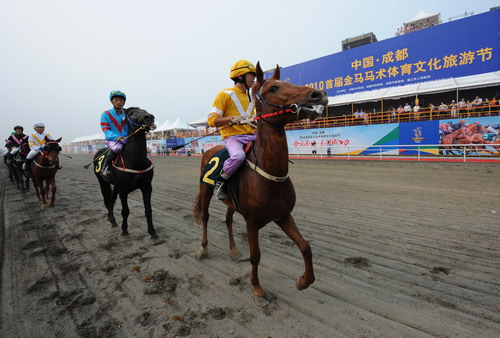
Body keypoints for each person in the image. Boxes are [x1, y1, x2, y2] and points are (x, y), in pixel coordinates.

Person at [207, 60, 257, 200]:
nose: (254, 77)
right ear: (240, 76)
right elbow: (211, 121)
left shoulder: (253, 97)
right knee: (238, 157)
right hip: (233, 137)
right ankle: (221, 182)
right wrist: (231, 119)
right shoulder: (225, 94)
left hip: (254, 136)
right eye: (251, 74)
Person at [100, 90, 128, 178]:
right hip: (112, 140)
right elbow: (106, 130)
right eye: (116, 100)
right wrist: (116, 137)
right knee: (117, 147)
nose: (119, 102)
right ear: (112, 101)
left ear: (124, 102)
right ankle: (105, 168)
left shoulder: (128, 114)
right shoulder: (105, 114)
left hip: (127, 139)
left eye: (121, 100)